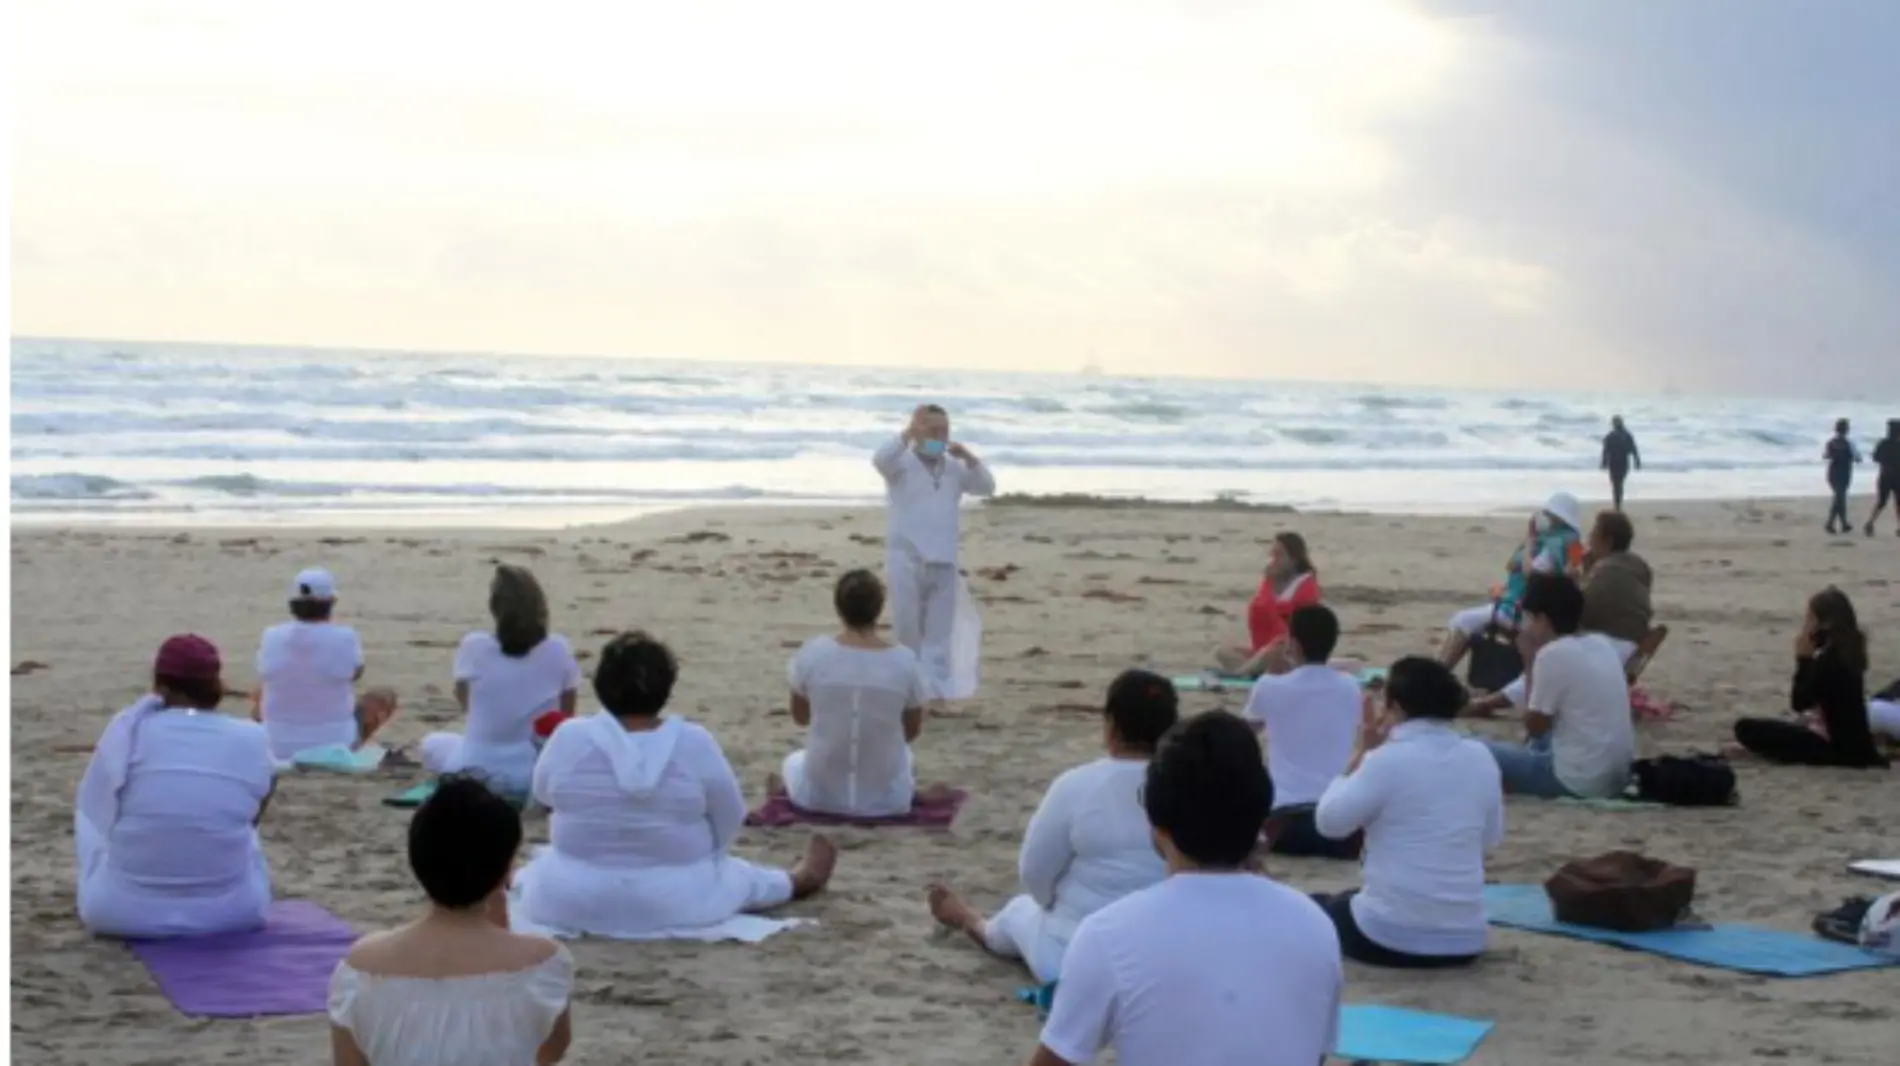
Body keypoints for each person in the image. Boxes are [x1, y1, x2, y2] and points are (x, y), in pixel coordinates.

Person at [1022, 712, 1342, 1066]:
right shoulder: (1314, 926)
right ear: (1260, 818)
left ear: (1156, 821)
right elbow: (1312, 1053)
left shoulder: (1110, 935)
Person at [512, 632, 837, 938]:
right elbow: (730, 816)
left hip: (569, 900)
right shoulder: (693, 742)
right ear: (665, 689)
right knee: (742, 877)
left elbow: (543, 794)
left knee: (536, 871)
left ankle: (512, 877)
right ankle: (798, 881)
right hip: (678, 900)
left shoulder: (570, 737)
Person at [925, 669, 1177, 982]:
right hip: (1168, 955)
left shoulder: (1077, 784)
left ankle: (973, 923)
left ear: (1111, 728)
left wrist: (1051, 904)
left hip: (1077, 957)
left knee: (1020, 911)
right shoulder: (1190, 788)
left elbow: (1034, 873)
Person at [328, 774, 575, 1066]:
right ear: (507, 868)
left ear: (417, 860)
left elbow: (349, 1061)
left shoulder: (362, 966)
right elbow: (548, 1053)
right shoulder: (542, 962)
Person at [75, 635, 276, 938]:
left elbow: (95, 811)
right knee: (241, 827)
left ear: (160, 685)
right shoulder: (253, 738)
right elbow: (252, 818)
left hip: (118, 914)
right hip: (233, 914)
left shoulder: (126, 730)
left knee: (91, 818)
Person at [1313, 657, 1504, 968]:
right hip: (1466, 938)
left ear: (1397, 708)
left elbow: (1329, 822)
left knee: (1317, 907)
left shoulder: (1386, 759)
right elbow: (1489, 839)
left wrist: (1362, 753)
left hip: (1390, 937)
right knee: (1350, 899)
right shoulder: (1481, 757)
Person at [1464, 510, 1652, 716]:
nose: (1589, 540)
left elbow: (1577, 611)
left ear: (1607, 540)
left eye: (1594, 535)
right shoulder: (1638, 565)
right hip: (1633, 642)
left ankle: (1486, 704)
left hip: (1610, 644)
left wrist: (1575, 577)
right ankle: (1489, 702)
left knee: (1548, 659)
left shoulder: (1602, 570)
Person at [872, 404, 997, 701]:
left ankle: (938, 692)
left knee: (939, 636)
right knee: (908, 630)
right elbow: (879, 459)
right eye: (933, 430)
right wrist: (907, 434)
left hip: (944, 559)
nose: (940, 436)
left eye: (944, 430)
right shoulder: (900, 465)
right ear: (918, 429)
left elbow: (987, 487)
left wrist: (968, 458)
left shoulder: (953, 468)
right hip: (907, 557)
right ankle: (909, 691)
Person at [421, 565, 582, 794]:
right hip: (534, 773)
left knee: (432, 743)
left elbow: (466, 701)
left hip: (475, 770)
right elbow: (566, 715)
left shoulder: (474, 646)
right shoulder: (558, 648)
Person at [781, 570, 928, 817]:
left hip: (819, 798)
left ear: (839, 608)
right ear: (879, 609)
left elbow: (800, 717)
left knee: (794, 760)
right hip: (888, 803)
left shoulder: (814, 654)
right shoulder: (905, 662)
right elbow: (910, 732)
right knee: (905, 757)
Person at [1480, 574, 1635, 799]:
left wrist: (1530, 659)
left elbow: (1534, 726)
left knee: (1476, 748)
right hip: (1615, 776)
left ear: (1542, 620)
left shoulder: (1552, 655)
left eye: (1528, 618)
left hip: (1575, 781)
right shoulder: (1602, 644)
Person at [1239, 605, 1363, 859]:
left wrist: (1272, 672)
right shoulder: (1350, 687)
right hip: (1340, 824)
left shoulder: (1270, 686)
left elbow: (1242, 735)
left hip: (1284, 822)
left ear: (1293, 644)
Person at [1732, 589, 1888, 769]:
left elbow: (1799, 702)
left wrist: (1803, 660)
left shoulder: (1830, 660)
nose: (1806, 626)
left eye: (1810, 619)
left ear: (1826, 623)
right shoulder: (1850, 651)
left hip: (1836, 751)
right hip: (1858, 748)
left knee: (1744, 728)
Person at [254, 567, 398, 760]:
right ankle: (357, 743)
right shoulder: (345, 636)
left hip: (275, 743)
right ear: (331, 603)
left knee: (263, 690)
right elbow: (355, 673)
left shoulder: (271, 635)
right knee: (383, 696)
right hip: (334, 741)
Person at [1440, 492, 1586, 670]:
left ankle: (1439, 671)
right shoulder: (1575, 543)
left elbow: (1530, 574)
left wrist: (1530, 541)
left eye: (1548, 514)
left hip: (1525, 611)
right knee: (1470, 623)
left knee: (1461, 622)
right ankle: (1440, 671)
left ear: (1558, 517)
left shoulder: (1554, 543)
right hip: (1545, 613)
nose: (1545, 518)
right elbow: (1576, 572)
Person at [1214, 532, 1323, 677]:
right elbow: (1257, 611)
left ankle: (1241, 673)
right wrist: (1269, 586)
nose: (1274, 559)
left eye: (1279, 555)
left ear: (1294, 559)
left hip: (1290, 654)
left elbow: (1293, 630)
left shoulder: (1307, 587)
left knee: (1277, 647)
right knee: (1223, 651)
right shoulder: (1270, 580)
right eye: (1273, 554)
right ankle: (1253, 670)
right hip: (1262, 651)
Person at [1825, 418, 1862, 535]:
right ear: (1847, 430)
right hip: (1844, 473)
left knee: (1839, 498)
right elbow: (1858, 458)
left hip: (1832, 472)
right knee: (1840, 498)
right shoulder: (1849, 443)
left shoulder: (1830, 442)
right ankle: (1830, 523)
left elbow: (1826, 456)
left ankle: (1843, 524)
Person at [1866, 418, 1900, 538]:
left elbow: (1875, 458)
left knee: (1881, 502)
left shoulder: (1883, 443)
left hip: (1884, 475)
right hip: (1898, 477)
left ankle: (1870, 523)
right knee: (1898, 503)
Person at [1601, 416, 1641, 511]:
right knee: (1618, 484)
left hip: (1617, 462)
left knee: (1617, 484)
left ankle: (1617, 505)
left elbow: (1606, 451)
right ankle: (1617, 505)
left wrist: (1604, 462)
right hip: (1619, 462)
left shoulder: (1615, 435)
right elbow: (1606, 450)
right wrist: (1637, 461)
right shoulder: (1623, 435)